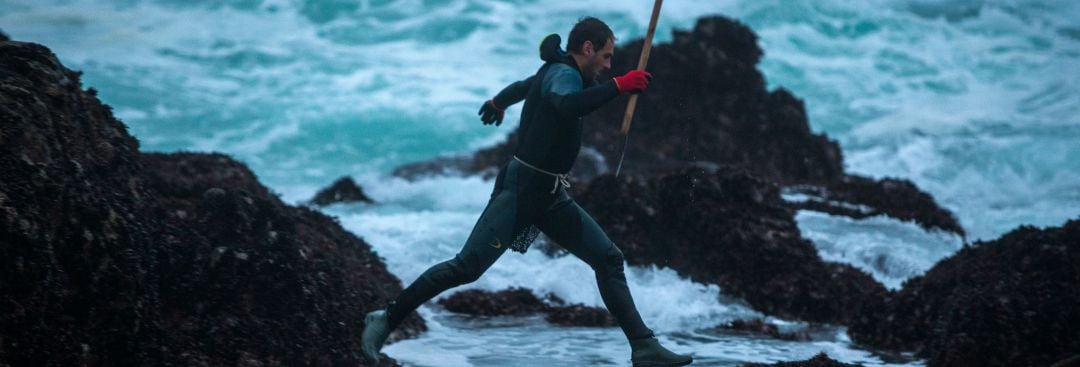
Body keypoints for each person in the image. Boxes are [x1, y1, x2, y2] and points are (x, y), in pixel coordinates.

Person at [361, 17, 693, 367]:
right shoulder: (564, 75)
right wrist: (619, 85)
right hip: (521, 192)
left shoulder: (559, 71)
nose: (609, 65)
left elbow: (525, 85)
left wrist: (498, 102)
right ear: (587, 49)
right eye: (607, 57)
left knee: (608, 258)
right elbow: (565, 104)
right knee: (466, 267)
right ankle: (385, 318)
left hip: (551, 196)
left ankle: (643, 346)